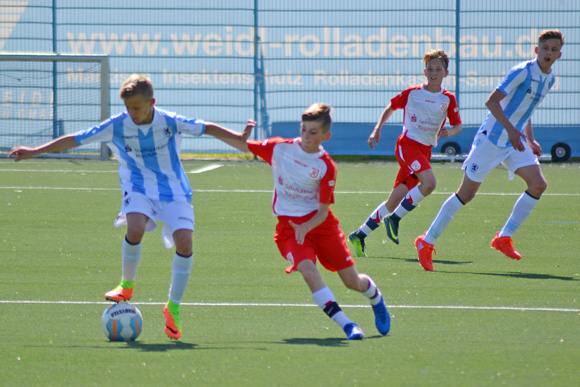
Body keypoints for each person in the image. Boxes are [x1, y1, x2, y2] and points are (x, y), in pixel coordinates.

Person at [9, 74, 256, 340]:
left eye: (136, 107)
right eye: (128, 108)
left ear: (152, 102)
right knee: (135, 227)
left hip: (173, 191)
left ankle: (173, 307)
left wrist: (239, 139)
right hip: (137, 186)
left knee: (185, 243)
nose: (132, 113)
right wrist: (34, 151)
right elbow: (76, 139)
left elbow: (206, 127)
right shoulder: (117, 125)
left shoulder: (169, 121)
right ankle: (126, 286)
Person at [225, 103, 390, 340]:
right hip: (289, 230)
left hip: (321, 227)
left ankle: (375, 297)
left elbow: (323, 212)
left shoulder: (326, 166)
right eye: (303, 129)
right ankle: (347, 325)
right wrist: (206, 129)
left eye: (313, 132)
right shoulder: (281, 149)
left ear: (326, 136)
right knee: (309, 272)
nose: (305, 136)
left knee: (352, 282)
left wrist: (306, 226)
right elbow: (242, 144)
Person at [415, 30, 565, 271]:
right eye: (545, 47)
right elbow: (491, 102)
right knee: (466, 194)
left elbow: (525, 111)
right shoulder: (522, 72)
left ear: (559, 54)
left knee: (538, 185)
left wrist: (530, 139)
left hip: (513, 142)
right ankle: (426, 241)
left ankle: (504, 237)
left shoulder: (549, 79)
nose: (549, 52)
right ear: (537, 50)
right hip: (492, 139)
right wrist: (512, 131)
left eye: (554, 49)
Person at [348, 49, 462, 257]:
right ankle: (395, 219)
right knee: (429, 184)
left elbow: (457, 126)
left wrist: (449, 132)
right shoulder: (413, 93)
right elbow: (391, 107)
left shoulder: (448, 99)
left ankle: (359, 234)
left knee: (393, 202)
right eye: (430, 69)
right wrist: (377, 129)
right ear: (424, 71)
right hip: (407, 146)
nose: (433, 72)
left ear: (446, 72)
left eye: (438, 69)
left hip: (424, 151)